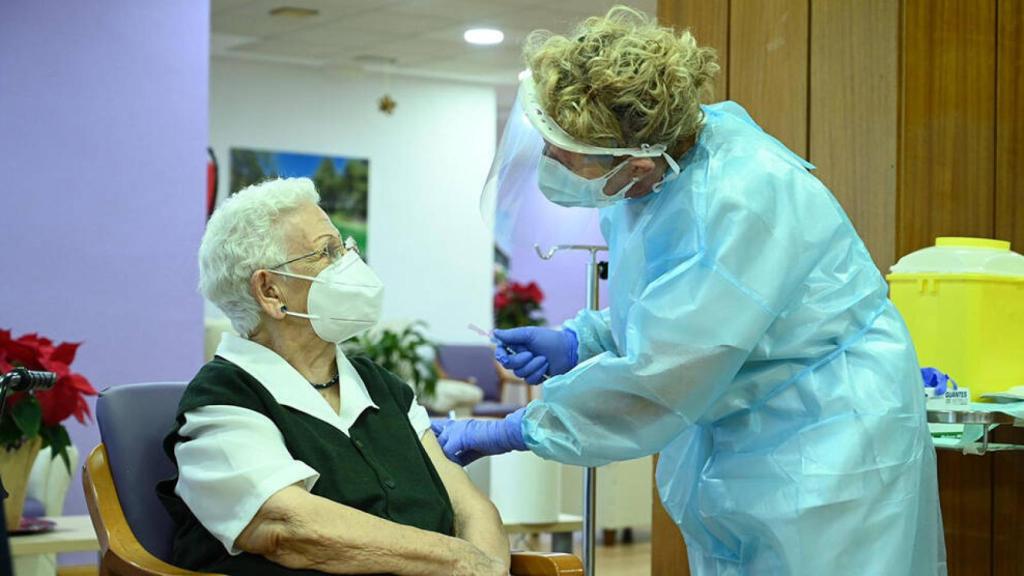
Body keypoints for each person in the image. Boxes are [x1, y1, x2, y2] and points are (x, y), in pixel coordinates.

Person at [432, 7, 946, 575]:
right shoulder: (647, 188)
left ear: (634, 158)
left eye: (562, 147)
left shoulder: (744, 195)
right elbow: (672, 309)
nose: (549, 160)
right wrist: (584, 339)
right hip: (750, 434)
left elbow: (664, 371)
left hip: (830, 445)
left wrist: (512, 429)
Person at [157, 178, 508, 576]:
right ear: (271, 291)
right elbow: (289, 527)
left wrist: (487, 567)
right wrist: (457, 560)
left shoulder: (382, 388)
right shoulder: (223, 400)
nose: (349, 263)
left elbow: (469, 505)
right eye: (327, 252)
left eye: (344, 247)